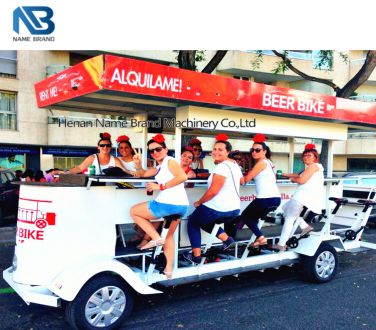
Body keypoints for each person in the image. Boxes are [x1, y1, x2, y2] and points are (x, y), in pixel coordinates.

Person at [130, 134, 188, 278]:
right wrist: (137, 164)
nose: (155, 152)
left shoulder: (170, 161)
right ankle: (169, 269)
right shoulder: (160, 166)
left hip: (167, 204)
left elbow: (182, 177)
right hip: (181, 206)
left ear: (166, 149)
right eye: (152, 151)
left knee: (134, 211)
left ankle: (155, 238)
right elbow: (142, 174)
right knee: (169, 236)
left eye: (158, 149)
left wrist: (160, 186)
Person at [183, 133, 242, 264]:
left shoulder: (221, 167)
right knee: (205, 221)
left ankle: (196, 255)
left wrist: (199, 202)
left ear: (228, 152)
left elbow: (213, 191)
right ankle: (227, 239)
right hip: (234, 209)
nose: (216, 152)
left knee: (193, 221)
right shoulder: (234, 165)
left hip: (218, 207)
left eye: (220, 150)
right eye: (214, 149)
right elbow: (242, 181)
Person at [275, 143, 324, 250]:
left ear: (315, 157)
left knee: (289, 219)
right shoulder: (312, 167)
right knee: (285, 208)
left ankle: (281, 244)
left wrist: (292, 179)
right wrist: (283, 174)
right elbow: (298, 175)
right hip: (303, 197)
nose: (306, 157)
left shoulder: (312, 166)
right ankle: (305, 227)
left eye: (309, 155)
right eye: (304, 155)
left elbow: (301, 180)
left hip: (301, 197)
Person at [238, 134, 281, 247]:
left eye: (257, 150)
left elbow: (244, 180)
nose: (254, 152)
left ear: (264, 151)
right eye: (252, 150)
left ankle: (261, 238)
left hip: (265, 198)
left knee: (245, 216)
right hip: (275, 198)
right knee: (253, 218)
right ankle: (257, 240)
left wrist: (235, 171)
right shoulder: (270, 163)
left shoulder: (261, 163)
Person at [68, 132, 133, 175]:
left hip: (111, 190)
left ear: (110, 147)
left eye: (108, 145)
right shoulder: (92, 157)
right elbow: (79, 168)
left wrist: (135, 173)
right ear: (98, 147)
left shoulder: (115, 160)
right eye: (102, 145)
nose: (105, 147)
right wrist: (64, 172)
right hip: (95, 189)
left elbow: (124, 170)